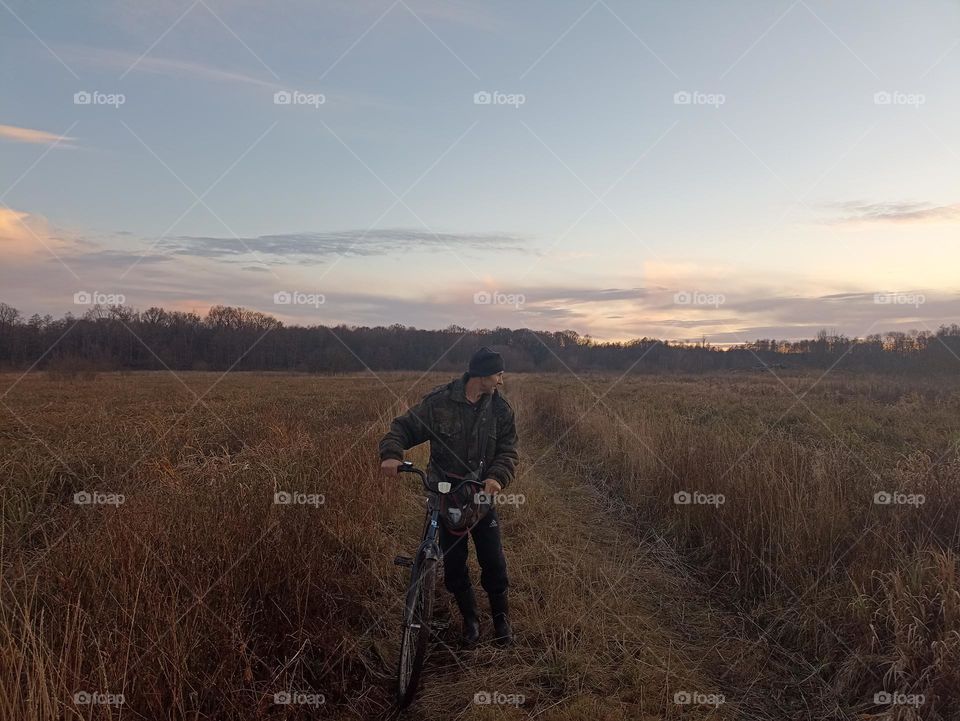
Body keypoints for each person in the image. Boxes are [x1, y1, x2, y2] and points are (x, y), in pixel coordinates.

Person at [379, 346, 519, 647]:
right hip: (444, 495)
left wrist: (497, 477)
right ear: (482, 375)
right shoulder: (439, 403)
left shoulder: (500, 410)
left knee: (493, 562)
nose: (501, 381)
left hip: (481, 496)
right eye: (498, 374)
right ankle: (470, 620)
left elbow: (508, 450)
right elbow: (403, 428)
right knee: (454, 566)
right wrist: (391, 454)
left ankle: (501, 620)